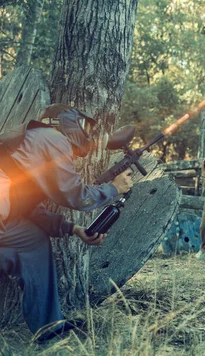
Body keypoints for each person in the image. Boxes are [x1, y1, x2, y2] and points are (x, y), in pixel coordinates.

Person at [0, 104, 133, 342]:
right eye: (86, 127)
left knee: (33, 240)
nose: (88, 134)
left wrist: (73, 229)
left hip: (6, 220)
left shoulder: (35, 142)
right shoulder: (54, 139)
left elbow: (30, 209)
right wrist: (115, 188)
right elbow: (76, 195)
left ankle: (48, 328)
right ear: (69, 123)